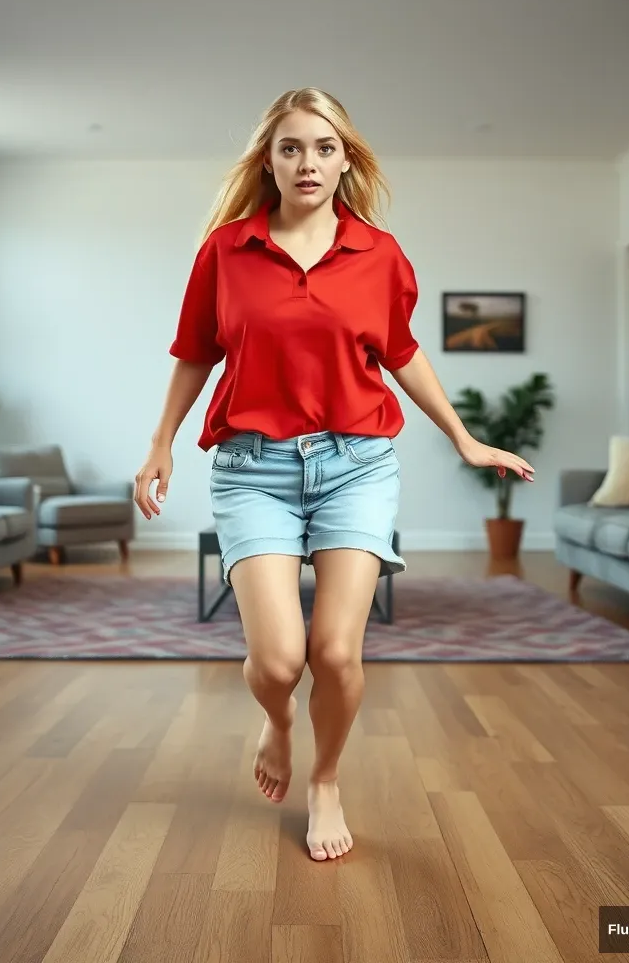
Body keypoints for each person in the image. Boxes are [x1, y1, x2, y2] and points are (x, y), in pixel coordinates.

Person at [134, 88, 534, 862]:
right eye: (291, 147)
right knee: (280, 661)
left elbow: (403, 352)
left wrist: (464, 438)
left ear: (345, 158)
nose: (307, 162)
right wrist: (162, 443)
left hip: (357, 464)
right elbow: (195, 352)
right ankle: (279, 722)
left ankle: (325, 780)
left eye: (323, 147)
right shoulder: (226, 250)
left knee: (338, 654)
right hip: (252, 468)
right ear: (269, 160)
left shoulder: (378, 253)